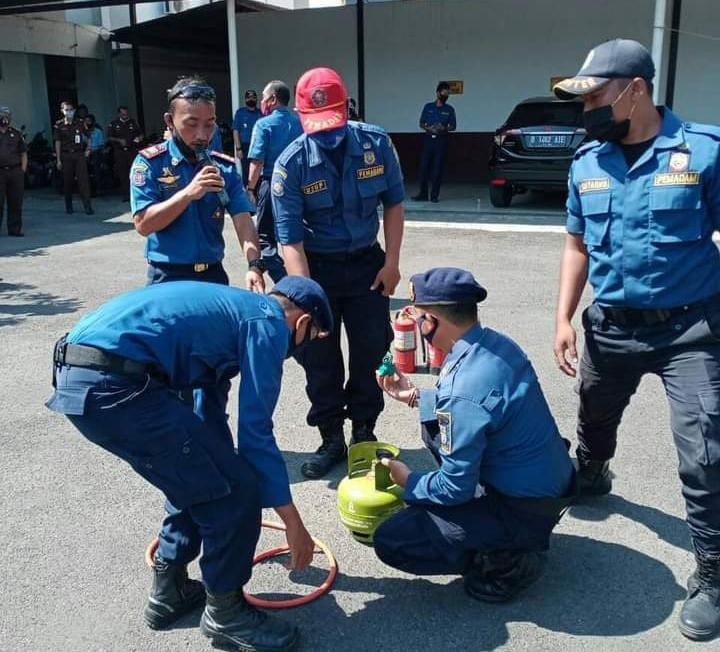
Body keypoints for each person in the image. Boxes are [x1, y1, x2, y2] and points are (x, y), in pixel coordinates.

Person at [46, 276, 333, 651]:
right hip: (114, 385)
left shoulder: (230, 313)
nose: (297, 350)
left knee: (202, 475)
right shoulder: (268, 322)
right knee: (237, 492)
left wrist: (219, 466)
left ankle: (170, 591)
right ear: (303, 322)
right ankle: (226, 615)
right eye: (309, 340)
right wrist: (294, 523)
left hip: (83, 377)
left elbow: (208, 414)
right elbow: (256, 434)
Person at [552, 38, 720, 641]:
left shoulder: (702, 150)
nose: (588, 108)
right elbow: (576, 243)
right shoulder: (587, 160)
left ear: (636, 89)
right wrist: (563, 318)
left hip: (690, 329)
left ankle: (715, 571)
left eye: (596, 95)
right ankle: (593, 473)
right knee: (594, 417)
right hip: (612, 326)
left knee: (706, 448)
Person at [374, 267, 575, 602]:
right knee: (434, 429)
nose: (415, 322)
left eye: (417, 315)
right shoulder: (494, 344)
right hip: (550, 483)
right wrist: (413, 396)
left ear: (433, 320)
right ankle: (502, 531)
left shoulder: (463, 389)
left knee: (393, 539)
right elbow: (477, 407)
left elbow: (454, 487)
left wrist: (409, 481)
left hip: (524, 507)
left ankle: (507, 561)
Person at [272, 67, 405, 479]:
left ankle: (364, 431)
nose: (327, 135)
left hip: (367, 265)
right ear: (299, 116)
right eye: (317, 127)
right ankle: (331, 436)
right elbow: (289, 240)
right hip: (316, 270)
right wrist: (306, 299)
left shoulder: (376, 144)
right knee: (319, 356)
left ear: (346, 108)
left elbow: (394, 204)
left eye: (333, 123)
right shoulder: (290, 164)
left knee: (370, 349)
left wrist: (392, 263)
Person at [131, 76, 264, 291]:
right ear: (169, 120)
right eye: (191, 124)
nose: (202, 135)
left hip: (213, 275)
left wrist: (254, 265)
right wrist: (188, 194)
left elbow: (243, 221)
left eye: (209, 124)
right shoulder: (150, 164)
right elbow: (143, 224)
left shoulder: (225, 168)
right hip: (167, 277)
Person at [246, 80, 303, 282]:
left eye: (263, 96)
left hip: (271, 185)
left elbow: (257, 161)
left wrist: (250, 188)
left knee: (265, 239)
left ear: (272, 99)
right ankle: (303, 277)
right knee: (295, 235)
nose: (261, 100)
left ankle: (284, 282)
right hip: (299, 186)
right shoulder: (299, 122)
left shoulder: (263, 125)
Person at [413, 82, 456, 203]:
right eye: (444, 93)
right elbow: (421, 123)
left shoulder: (449, 109)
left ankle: (434, 196)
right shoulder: (428, 107)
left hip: (441, 141)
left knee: (437, 170)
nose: (446, 96)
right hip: (428, 140)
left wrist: (444, 128)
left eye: (448, 94)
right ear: (438, 93)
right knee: (423, 168)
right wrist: (428, 128)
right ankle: (423, 194)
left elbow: (453, 126)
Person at [54, 100, 93, 215]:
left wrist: (88, 149)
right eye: (66, 110)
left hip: (79, 154)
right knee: (67, 181)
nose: (69, 112)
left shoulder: (80, 123)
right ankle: (69, 205)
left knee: (83, 181)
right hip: (66, 155)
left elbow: (88, 137)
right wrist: (58, 159)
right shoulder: (59, 125)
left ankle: (87, 206)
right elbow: (57, 142)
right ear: (62, 111)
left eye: (71, 110)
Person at [0, 105, 27, 237]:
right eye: (3, 115)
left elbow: (23, 153)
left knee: (15, 201)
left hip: (15, 171)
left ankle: (15, 229)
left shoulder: (16, 134)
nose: (5, 118)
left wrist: (22, 170)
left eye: (7, 115)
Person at [107, 105, 143, 201]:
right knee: (123, 173)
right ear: (119, 114)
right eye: (123, 114)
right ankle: (126, 194)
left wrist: (139, 138)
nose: (125, 116)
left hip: (132, 150)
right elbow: (109, 137)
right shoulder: (114, 124)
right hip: (120, 152)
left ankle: (135, 193)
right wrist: (119, 140)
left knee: (134, 171)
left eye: (126, 114)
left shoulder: (133, 122)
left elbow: (140, 134)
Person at [232, 89, 260, 183]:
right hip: (245, 147)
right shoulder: (240, 113)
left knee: (258, 171)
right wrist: (238, 149)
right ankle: (247, 195)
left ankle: (257, 195)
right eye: (249, 97)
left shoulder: (260, 114)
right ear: (245, 100)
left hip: (258, 147)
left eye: (253, 97)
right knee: (246, 173)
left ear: (256, 99)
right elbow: (236, 131)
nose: (251, 99)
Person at [84, 114, 106, 197]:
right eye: (86, 122)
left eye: (89, 121)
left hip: (96, 153)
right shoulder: (82, 132)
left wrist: (92, 151)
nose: (87, 123)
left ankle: (98, 189)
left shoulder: (98, 131)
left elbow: (101, 145)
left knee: (96, 172)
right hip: (85, 154)